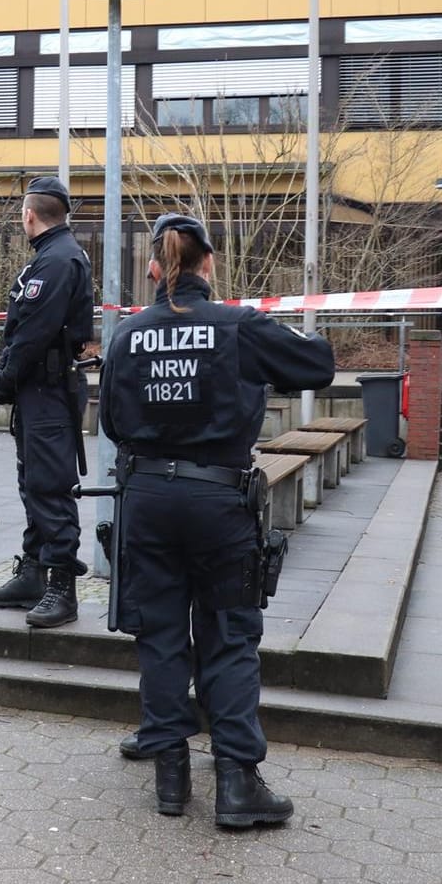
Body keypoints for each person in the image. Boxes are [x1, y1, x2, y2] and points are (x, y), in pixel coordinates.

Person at [101, 212, 335, 828]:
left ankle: (170, 775)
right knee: (229, 635)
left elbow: (112, 424)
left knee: (160, 634)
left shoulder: (129, 333)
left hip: (147, 499)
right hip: (218, 501)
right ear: (208, 264)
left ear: (155, 269)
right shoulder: (238, 325)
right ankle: (236, 783)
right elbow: (315, 366)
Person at [0, 177, 95, 628]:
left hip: (46, 388)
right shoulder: (55, 255)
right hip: (40, 389)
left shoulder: (57, 260)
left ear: (29, 215)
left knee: (50, 485)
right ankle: (34, 571)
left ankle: (62, 586)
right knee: (34, 481)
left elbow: (34, 330)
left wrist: (5, 376)